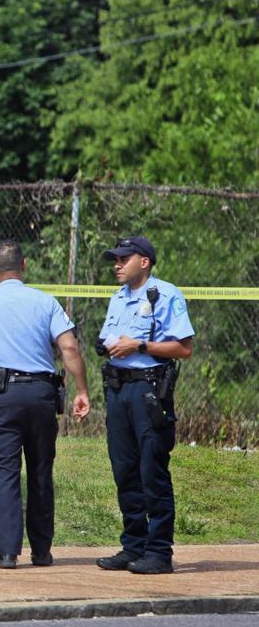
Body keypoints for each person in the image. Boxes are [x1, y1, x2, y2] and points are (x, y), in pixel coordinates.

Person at [0, 240, 91, 569]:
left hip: (3, 396)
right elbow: (70, 349)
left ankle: (6, 553)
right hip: (42, 395)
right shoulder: (45, 302)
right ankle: (42, 552)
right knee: (41, 472)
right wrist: (82, 390)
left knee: (4, 473)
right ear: (25, 265)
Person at [95, 235, 193, 574]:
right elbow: (107, 339)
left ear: (145, 261)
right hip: (118, 391)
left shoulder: (166, 294)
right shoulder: (118, 298)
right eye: (115, 259)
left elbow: (183, 348)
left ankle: (158, 552)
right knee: (125, 471)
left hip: (149, 392)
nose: (117, 265)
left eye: (124, 258)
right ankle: (133, 547)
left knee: (152, 470)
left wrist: (139, 346)